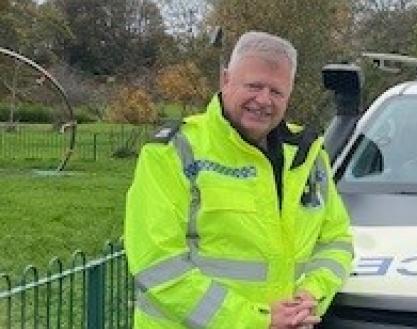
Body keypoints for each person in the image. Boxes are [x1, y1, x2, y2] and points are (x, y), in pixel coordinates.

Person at [125, 31, 354, 328]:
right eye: (254, 86)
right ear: (225, 80)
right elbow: (158, 265)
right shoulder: (174, 152)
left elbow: (336, 241)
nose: (263, 100)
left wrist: (310, 296)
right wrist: (256, 321)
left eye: (276, 91)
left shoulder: (308, 156)